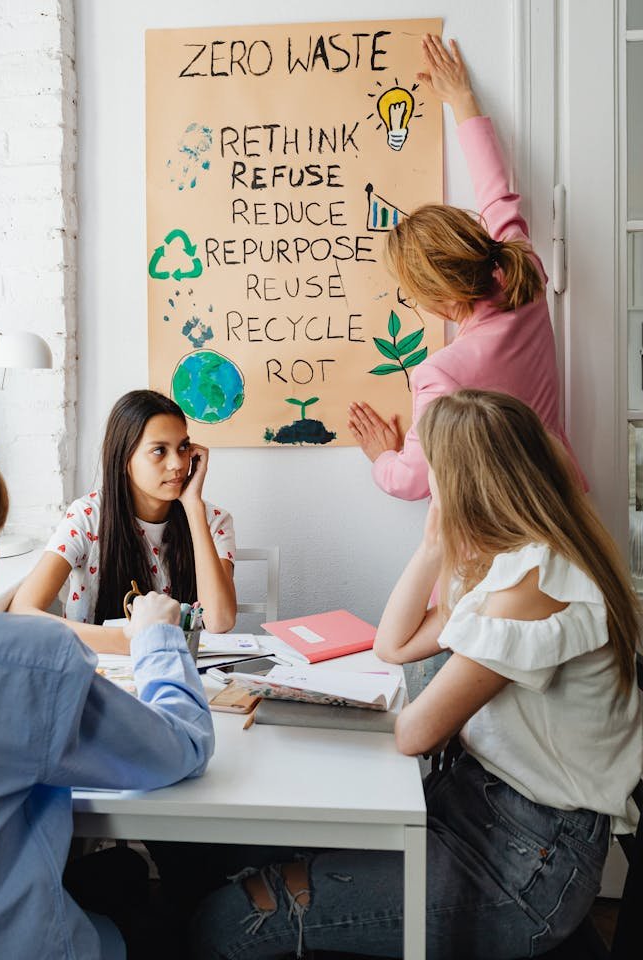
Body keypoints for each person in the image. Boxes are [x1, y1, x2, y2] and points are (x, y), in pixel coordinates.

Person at [191, 390, 642, 960]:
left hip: (524, 865)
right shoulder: (511, 561)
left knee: (226, 924)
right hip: (479, 814)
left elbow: (415, 734)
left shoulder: (532, 585)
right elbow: (394, 644)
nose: (429, 486)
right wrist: (433, 543)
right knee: (229, 852)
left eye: (435, 474)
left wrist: (441, 538)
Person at [0, 430, 214, 960]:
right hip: (7, 946)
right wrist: (156, 638)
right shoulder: (30, 659)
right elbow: (182, 750)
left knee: (116, 873)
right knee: (183, 918)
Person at [348, 34, 585, 500]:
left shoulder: (442, 373)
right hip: (567, 511)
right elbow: (496, 196)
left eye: (413, 289)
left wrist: (381, 455)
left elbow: (412, 481)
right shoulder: (525, 274)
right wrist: (461, 99)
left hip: (502, 541)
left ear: (447, 297)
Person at [10, 389, 236, 651]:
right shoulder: (87, 517)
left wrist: (193, 506)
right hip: (101, 672)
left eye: (183, 447)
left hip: (183, 675)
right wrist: (132, 639)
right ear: (124, 458)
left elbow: (219, 621)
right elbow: (22, 612)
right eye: (159, 451)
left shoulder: (213, 520)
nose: (177, 463)